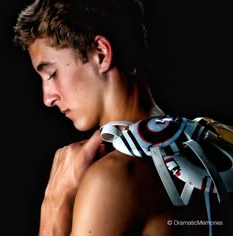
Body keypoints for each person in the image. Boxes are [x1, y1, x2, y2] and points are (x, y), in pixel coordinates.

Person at [13, 0, 232, 235]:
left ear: (101, 53)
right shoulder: (219, 143)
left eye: (51, 74)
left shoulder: (110, 181)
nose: (48, 98)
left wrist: (55, 203)